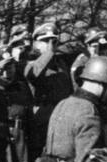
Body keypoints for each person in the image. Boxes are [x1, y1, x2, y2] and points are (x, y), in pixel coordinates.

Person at [27, 22, 73, 154]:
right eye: (46, 41)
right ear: (36, 44)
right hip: (42, 116)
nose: (50, 45)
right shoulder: (32, 62)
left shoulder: (61, 63)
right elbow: (34, 74)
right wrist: (49, 52)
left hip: (61, 114)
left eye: (53, 41)